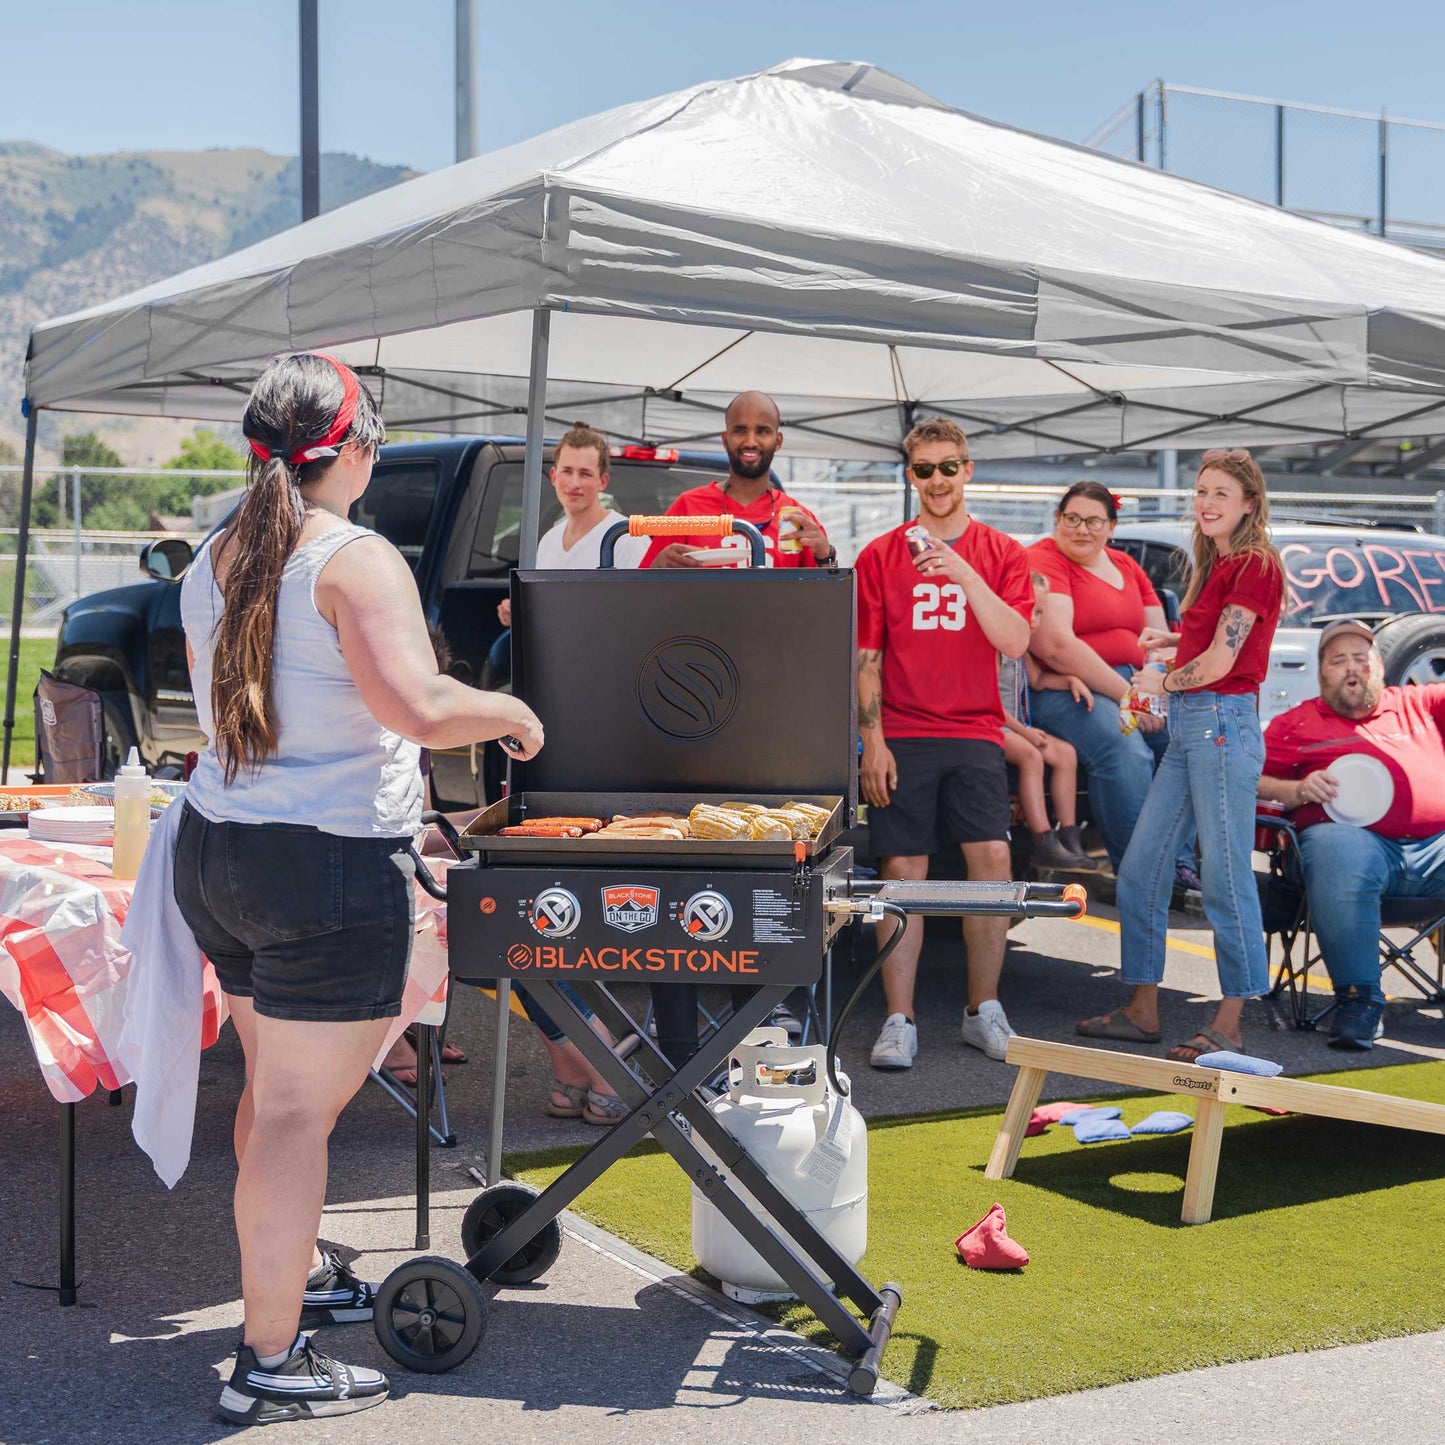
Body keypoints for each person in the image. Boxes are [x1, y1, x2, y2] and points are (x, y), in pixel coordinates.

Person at [174, 352, 544, 1424]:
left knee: (272, 1090)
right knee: (297, 1111)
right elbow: (415, 706)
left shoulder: (214, 555)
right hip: (322, 866)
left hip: (221, 850)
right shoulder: (353, 555)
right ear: (358, 450)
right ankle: (268, 1357)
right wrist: (512, 711)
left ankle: (287, 1284)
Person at [1078, 448, 1282, 1062]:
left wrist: (1159, 682)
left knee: (1224, 877)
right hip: (1198, 726)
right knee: (1141, 869)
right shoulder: (1220, 561)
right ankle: (1142, 1010)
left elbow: (1223, 661)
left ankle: (1231, 1022)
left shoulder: (1253, 562)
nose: (1207, 502)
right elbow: (1215, 642)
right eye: (1201, 491)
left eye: (1222, 493)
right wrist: (1175, 639)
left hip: (1220, 726)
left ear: (1249, 503)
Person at [857, 418, 1035, 1068]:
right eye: (925, 469)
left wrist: (962, 570)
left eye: (948, 467)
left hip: (974, 728)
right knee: (903, 870)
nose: (937, 479)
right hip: (903, 730)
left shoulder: (1001, 551)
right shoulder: (880, 554)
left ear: (967, 469)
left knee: (992, 858)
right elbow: (866, 658)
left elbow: (1014, 640)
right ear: (911, 475)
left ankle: (981, 1009)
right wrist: (871, 741)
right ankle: (898, 1018)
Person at [1259, 621, 1445, 1049]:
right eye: (1338, 660)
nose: (1351, 668)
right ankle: (1359, 1001)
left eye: (1361, 658)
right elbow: (1248, 779)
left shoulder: (1418, 703)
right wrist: (1296, 790)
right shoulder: (1295, 723)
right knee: (1336, 843)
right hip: (1350, 855)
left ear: (1379, 665)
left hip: (1433, 851)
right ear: (1321, 673)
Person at [1027, 481, 1197, 887]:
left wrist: (1151, 687)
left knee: (1185, 742)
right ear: (1057, 519)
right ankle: (1142, 873)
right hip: (1068, 687)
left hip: (1136, 683)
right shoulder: (1044, 559)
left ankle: (1180, 864)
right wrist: (1131, 697)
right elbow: (1056, 646)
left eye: (1093, 521)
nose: (1081, 529)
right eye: (1072, 519)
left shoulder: (1126, 565)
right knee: (1126, 750)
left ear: (1111, 526)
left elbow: (1157, 640)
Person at [642, 390, 835, 569]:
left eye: (762, 431)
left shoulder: (798, 519)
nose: (750, 442)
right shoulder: (688, 507)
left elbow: (827, 591)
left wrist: (826, 555)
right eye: (740, 430)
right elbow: (640, 587)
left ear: (778, 441)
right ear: (725, 439)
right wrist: (658, 565)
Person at [1000, 572, 1098, 872]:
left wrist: (1068, 680)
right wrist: (1026, 733)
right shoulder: (997, 644)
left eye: (1040, 612)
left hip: (1017, 727)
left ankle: (1068, 836)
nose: (1034, 619)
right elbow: (987, 701)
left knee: (1066, 754)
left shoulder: (1022, 646)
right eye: (1028, 609)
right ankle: (1042, 839)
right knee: (1031, 756)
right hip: (992, 723)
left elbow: (1038, 679)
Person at [535, 422, 651, 569]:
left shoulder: (627, 538)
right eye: (567, 471)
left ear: (603, 481)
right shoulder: (548, 542)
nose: (574, 483)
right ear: (553, 476)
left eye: (585, 474)